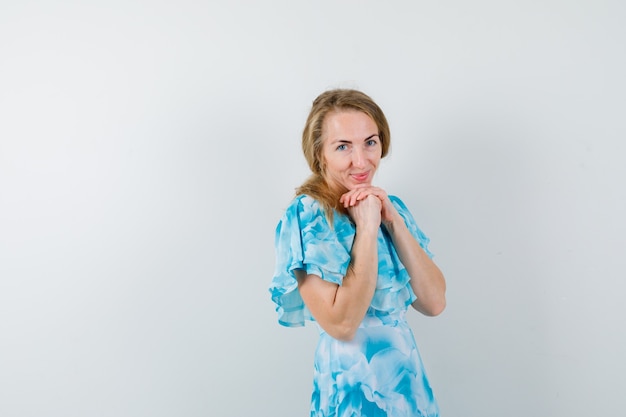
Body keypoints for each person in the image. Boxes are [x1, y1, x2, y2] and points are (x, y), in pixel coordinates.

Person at [269, 88, 446, 417]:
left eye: (370, 142)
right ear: (320, 154)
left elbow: (434, 303)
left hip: (407, 387)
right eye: (342, 147)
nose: (362, 161)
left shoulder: (389, 208)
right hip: (352, 390)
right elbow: (342, 324)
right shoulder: (308, 216)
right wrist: (366, 228)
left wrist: (392, 222)